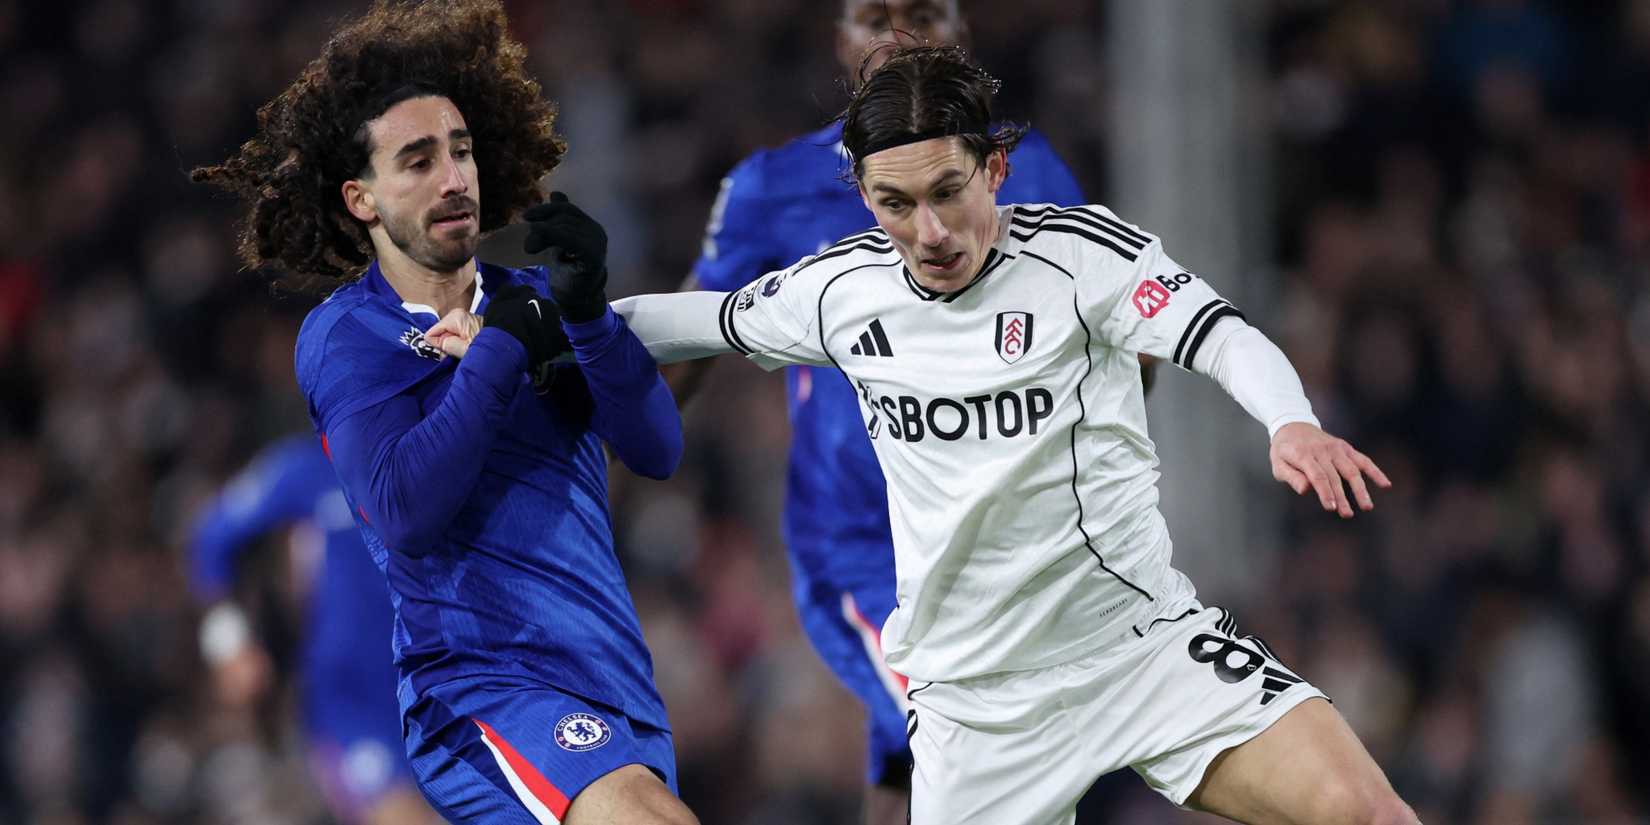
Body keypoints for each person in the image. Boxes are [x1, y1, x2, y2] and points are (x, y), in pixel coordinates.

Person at [430, 45, 1416, 825]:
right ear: (864, 195)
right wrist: (517, 331)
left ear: (994, 165)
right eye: (896, 203)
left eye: (949, 190)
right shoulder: (841, 291)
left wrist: (1291, 422)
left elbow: (1220, 334)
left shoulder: (1084, 256)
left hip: (1139, 649)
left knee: (1368, 812)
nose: (931, 229)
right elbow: (694, 320)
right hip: (973, 706)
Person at [191, 2, 696, 823]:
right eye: (418, 160)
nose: (454, 177)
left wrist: (590, 314)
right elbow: (404, 510)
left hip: (614, 680)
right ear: (362, 198)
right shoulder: (348, 337)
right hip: (484, 690)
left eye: (460, 152)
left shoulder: (532, 300)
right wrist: (502, 352)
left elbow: (658, 447)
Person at [673, 2, 1085, 819]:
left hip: (995, 542)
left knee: (908, 770)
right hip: (863, 547)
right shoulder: (773, 188)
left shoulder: (1031, 175)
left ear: (962, 36)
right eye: (873, 17)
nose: (898, 34)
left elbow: (1113, 343)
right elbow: (684, 336)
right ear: (841, 43)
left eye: (924, 14)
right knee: (963, 739)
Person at [188, 435, 441, 825]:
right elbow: (212, 539)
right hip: (353, 695)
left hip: (443, 674)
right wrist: (230, 644)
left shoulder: (442, 446)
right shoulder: (307, 469)